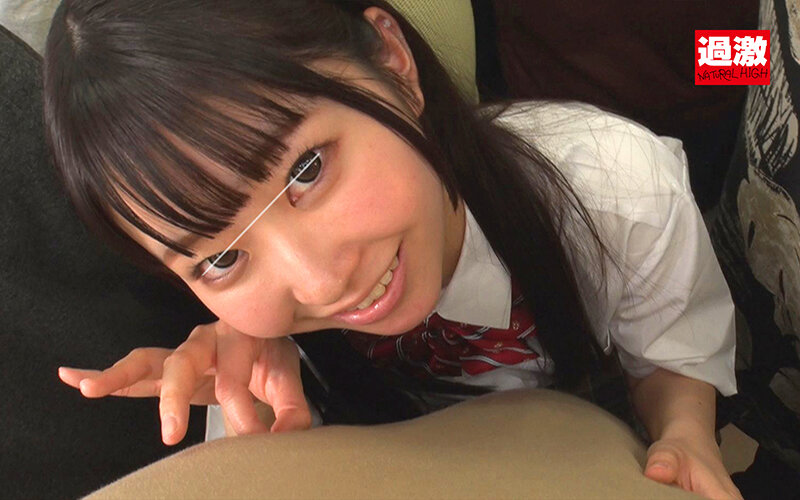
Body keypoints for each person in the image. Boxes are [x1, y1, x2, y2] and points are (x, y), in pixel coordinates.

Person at [44, 1, 741, 498]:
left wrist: (684, 430)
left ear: (392, 59)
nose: (318, 282)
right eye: (221, 259)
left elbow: (674, 349)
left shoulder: (613, 189)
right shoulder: (266, 358)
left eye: (306, 171)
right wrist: (270, 438)